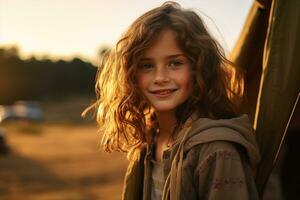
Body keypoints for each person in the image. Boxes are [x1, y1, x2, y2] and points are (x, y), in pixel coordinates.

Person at [87, 1, 260, 199]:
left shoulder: (217, 151)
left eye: (175, 63)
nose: (160, 77)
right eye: (147, 66)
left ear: (198, 68)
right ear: (132, 75)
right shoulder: (148, 142)